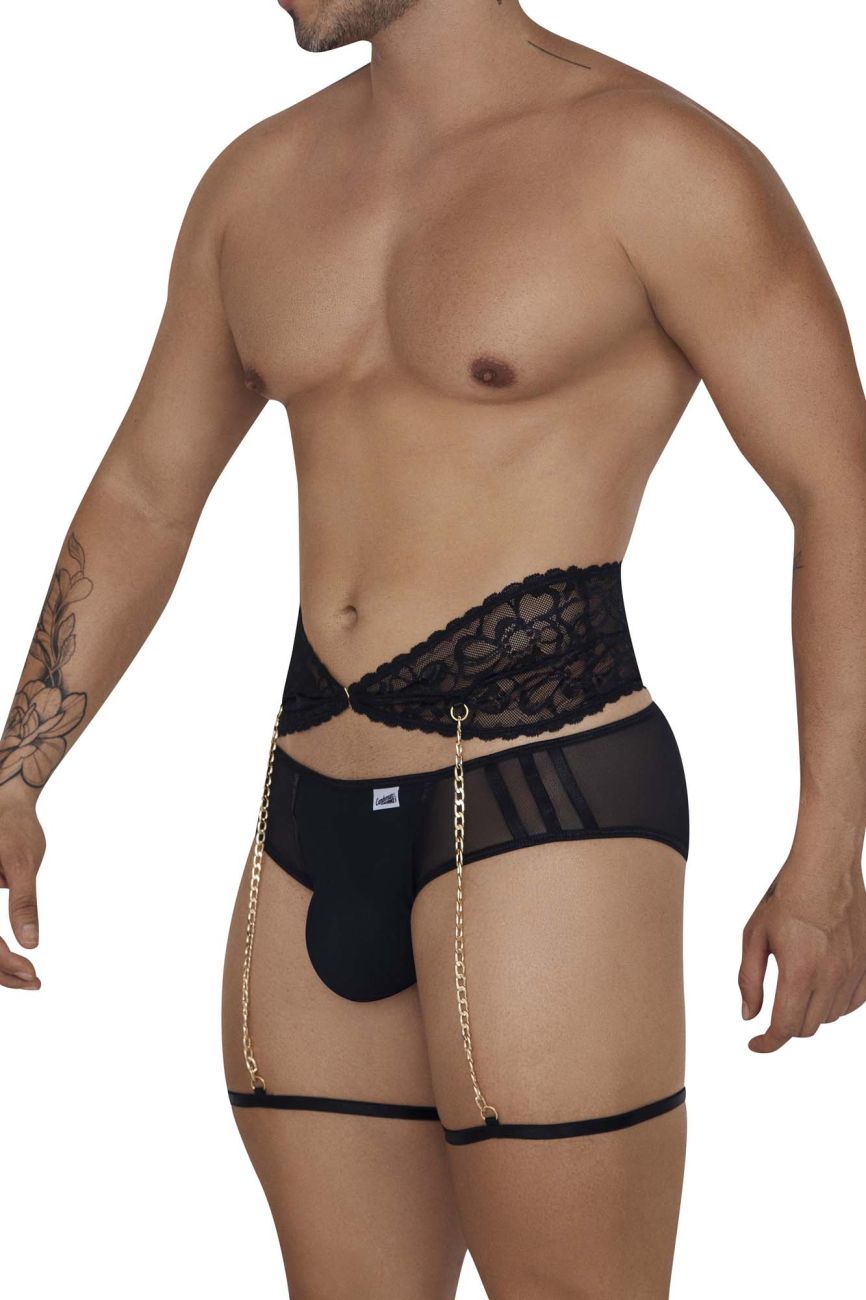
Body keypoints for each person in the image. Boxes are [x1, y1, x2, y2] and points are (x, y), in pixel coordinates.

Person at [2, 1, 865, 1295]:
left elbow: (840, 492)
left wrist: (828, 858)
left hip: (549, 798)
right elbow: (145, 494)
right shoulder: (256, 183)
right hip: (305, 809)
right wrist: (15, 774)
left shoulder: (656, 163)